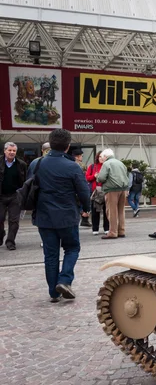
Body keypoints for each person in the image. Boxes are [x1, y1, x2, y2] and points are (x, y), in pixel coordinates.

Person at [33, 129, 90, 303]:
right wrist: (86, 208)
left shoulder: (37, 164)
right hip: (67, 215)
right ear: (67, 147)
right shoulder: (73, 166)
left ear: (50, 144)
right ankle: (64, 280)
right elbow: (83, 191)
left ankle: (53, 292)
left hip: (44, 215)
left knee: (50, 254)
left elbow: (31, 188)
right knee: (72, 248)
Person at [0, 142, 27, 250]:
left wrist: (23, 194)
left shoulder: (21, 164)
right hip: (1, 196)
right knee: (0, 218)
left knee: (14, 220)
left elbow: (25, 180)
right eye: (9, 150)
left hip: (15, 196)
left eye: (14, 151)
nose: (11, 152)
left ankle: (10, 242)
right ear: (4, 151)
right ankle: (0, 235)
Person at [97, 149, 129, 239]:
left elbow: (102, 178)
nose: (102, 159)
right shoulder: (120, 163)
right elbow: (126, 175)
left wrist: (97, 177)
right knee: (121, 211)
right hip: (123, 189)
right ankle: (121, 231)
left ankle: (113, 232)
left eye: (102, 157)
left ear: (105, 156)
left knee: (112, 211)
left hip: (111, 189)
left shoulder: (107, 164)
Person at [86, 152, 109, 236]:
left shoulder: (108, 166)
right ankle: (95, 228)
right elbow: (87, 178)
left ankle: (107, 228)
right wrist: (94, 176)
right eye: (99, 156)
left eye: (103, 156)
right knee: (95, 211)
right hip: (95, 191)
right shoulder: (92, 166)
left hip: (106, 190)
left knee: (107, 211)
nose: (101, 158)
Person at [71, 148, 92, 227]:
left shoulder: (74, 164)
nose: (82, 157)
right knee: (82, 202)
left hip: (77, 186)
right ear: (77, 156)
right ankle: (83, 216)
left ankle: (84, 219)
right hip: (79, 186)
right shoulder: (78, 165)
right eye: (81, 156)